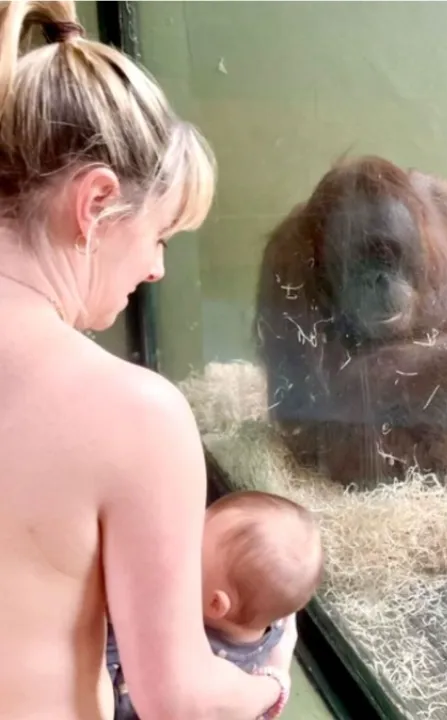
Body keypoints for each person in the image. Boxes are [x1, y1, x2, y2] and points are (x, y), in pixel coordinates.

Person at [0, 1, 293, 717]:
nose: (158, 268)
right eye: (161, 234)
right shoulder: (133, 414)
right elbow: (177, 698)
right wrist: (269, 684)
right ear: (96, 203)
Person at [107, 491, 326, 720]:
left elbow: (123, 704)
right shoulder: (275, 630)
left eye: (191, 550)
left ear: (215, 603)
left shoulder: (195, 668)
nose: (179, 544)